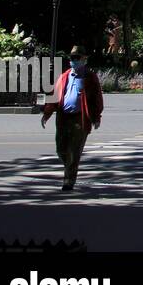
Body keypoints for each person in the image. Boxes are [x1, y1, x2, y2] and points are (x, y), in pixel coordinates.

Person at [41, 46, 103, 192]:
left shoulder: (90, 77)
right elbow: (55, 97)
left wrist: (96, 117)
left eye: (77, 58)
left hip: (79, 119)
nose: (73, 60)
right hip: (63, 117)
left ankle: (68, 181)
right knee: (61, 149)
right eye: (72, 58)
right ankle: (68, 168)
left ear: (84, 59)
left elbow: (97, 99)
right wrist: (47, 114)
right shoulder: (64, 76)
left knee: (74, 151)